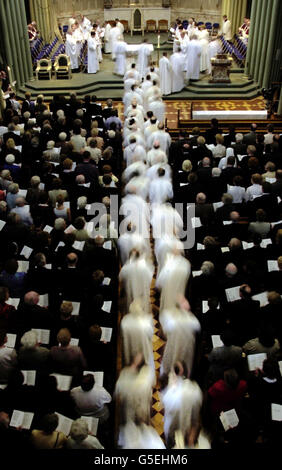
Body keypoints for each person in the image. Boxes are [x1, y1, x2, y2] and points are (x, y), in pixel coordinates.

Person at [161, 362, 203, 448]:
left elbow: (165, 410)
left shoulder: (169, 394)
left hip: (171, 429)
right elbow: (196, 417)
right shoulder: (195, 390)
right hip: (187, 429)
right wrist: (192, 434)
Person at [160, 297, 201, 377]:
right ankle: (182, 375)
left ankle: (167, 373)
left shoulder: (171, 319)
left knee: (171, 358)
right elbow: (198, 327)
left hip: (174, 343)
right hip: (185, 345)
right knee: (183, 360)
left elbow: (166, 330)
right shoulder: (191, 320)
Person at [120, 299, 154, 373]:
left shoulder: (125, 321)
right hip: (143, 348)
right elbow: (151, 335)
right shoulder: (147, 321)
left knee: (133, 366)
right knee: (145, 367)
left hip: (131, 348)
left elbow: (125, 339)